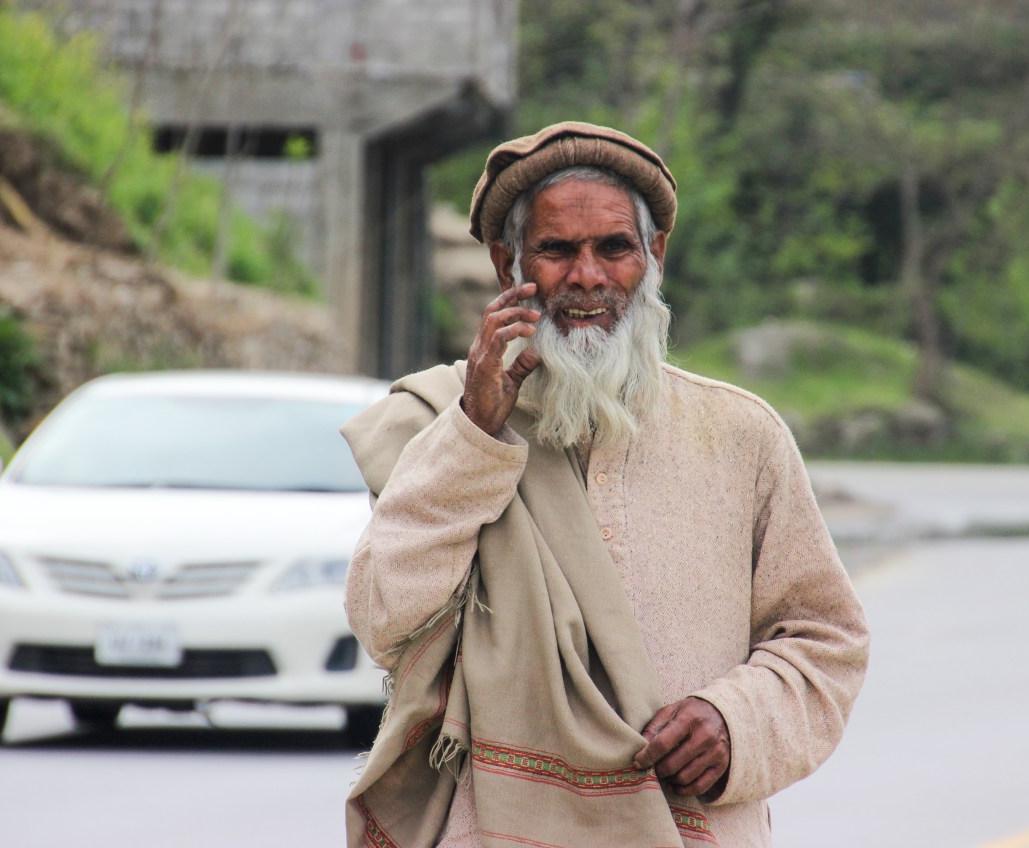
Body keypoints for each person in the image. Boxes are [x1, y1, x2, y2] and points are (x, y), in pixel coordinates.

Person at [340, 121, 869, 848]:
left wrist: (734, 724)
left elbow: (823, 640)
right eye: (557, 251)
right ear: (507, 265)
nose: (587, 277)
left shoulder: (742, 434)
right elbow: (384, 619)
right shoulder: (438, 427)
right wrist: (475, 435)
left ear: (653, 256)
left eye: (614, 248)